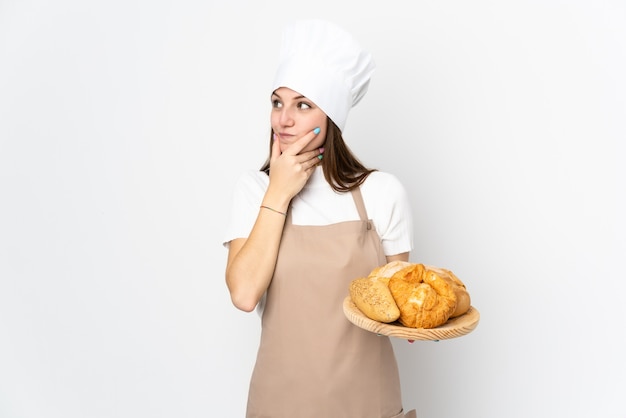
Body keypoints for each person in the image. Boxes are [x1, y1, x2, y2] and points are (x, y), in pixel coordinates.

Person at [223, 19, 416, 418]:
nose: (284, 119)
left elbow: (400, 307)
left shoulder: (382, 193)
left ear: (332, 117)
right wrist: (279, 192)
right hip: (279, 404)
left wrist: (418, 321)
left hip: (368, 404)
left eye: (303, 105)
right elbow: (243, 294)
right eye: (277, 102)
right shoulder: (254, 191)